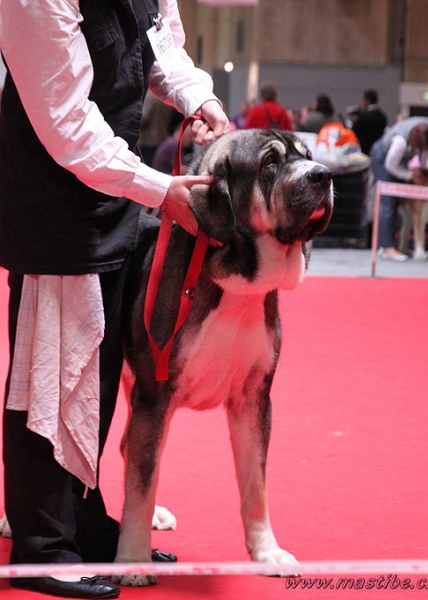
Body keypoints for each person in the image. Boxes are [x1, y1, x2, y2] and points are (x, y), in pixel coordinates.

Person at [0, 1, 229, 599]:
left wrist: (200, 99)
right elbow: (66, 117)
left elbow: (161, 48)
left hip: (116, 191)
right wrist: (159, 190)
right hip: (53, 198)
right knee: (49, 370)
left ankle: (76, 519)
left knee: (97, 373)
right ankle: (41, 542)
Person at [370, 116, 428, 261]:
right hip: (383, 157)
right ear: (415, 141)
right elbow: (390, 165)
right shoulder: (400, 142)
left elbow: (426, 154)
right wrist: (410, 175)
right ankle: (387, 248)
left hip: (399, 161)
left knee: (398, 202)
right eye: (421, 148)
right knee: (388, 201)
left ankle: (399, 246)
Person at [352, 89, 388, 155]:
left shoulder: (363, 115)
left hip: (364, 151)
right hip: (378, 152)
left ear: (367, 100)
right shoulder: (382, 116)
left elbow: (354, 131)